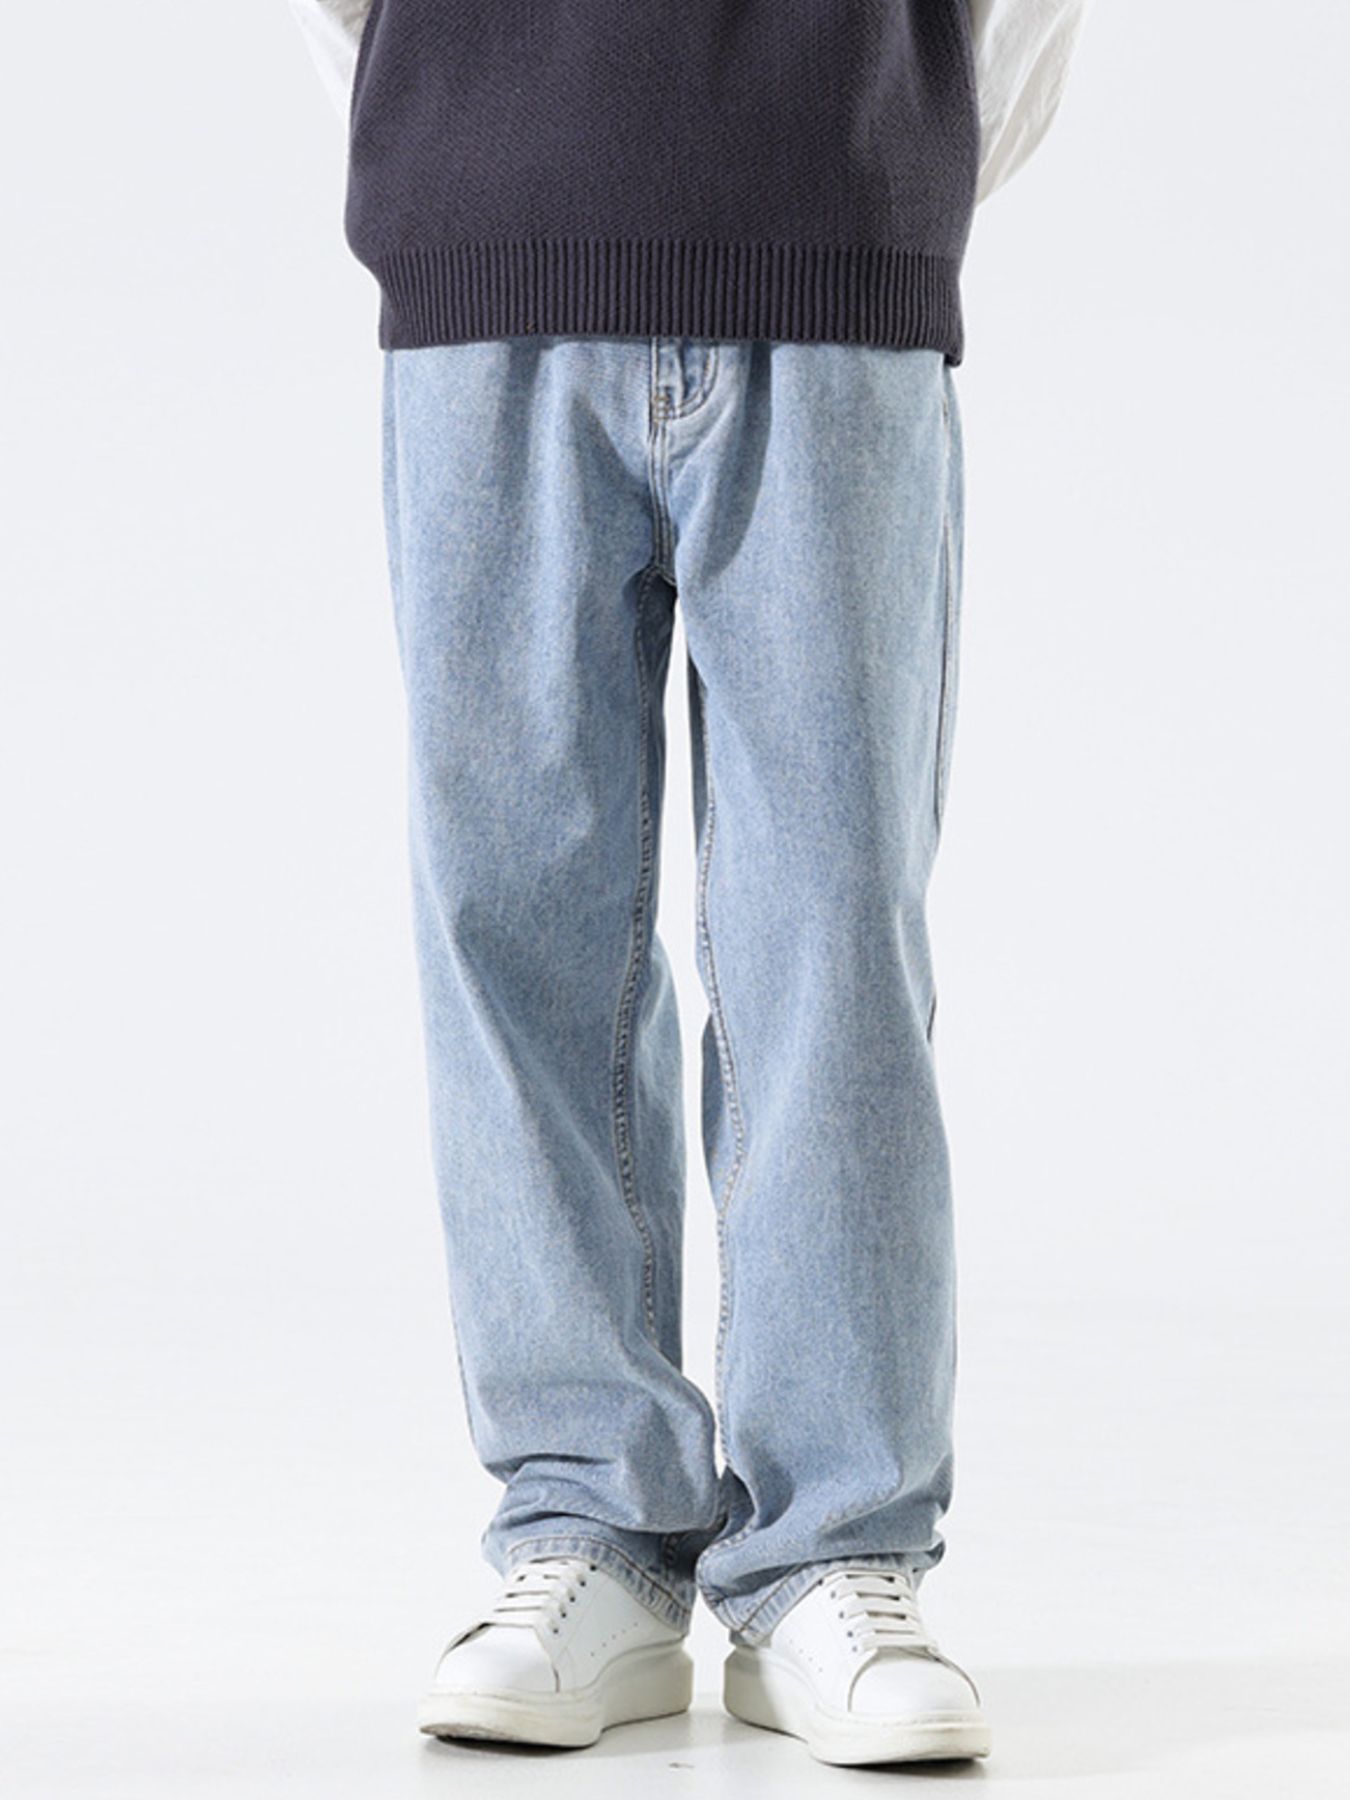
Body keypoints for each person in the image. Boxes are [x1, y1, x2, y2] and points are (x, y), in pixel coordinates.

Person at [288, 0, 1087, 1767]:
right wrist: (458, 133)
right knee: (513, 931)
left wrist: (893, 161)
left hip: (834, 229)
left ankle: (835, 1547)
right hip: (487, 236)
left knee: (834, 935)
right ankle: (587, 1517)